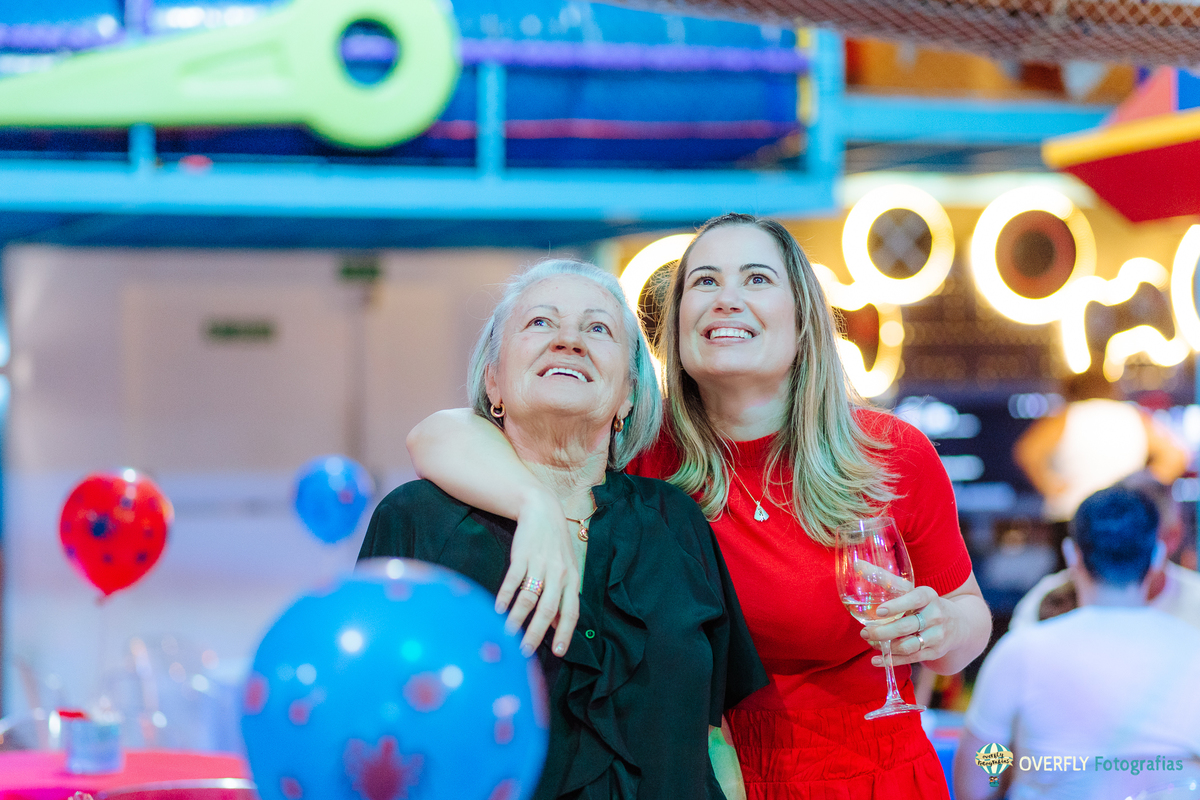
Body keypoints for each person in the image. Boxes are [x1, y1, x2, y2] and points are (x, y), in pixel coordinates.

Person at [407, 215, 992, 799]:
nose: (727, 300)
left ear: (803, 319)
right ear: (677, 324)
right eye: (704, 282)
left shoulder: (889, 452)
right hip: (701, 776)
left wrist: (940, 630)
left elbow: (969, 620)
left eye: (756, 279)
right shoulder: (638, 453)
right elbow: (440, 435)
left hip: (864, 777)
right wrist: (533, 503)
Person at [359, 259, 767, 800]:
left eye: (598, 329)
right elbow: (366, 733)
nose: (569, 340)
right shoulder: (416, 520)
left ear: (627, 395)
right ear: (493, 382)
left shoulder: (676, 520)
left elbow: (714, 742)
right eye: (540, 324)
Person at [953, 486, 1200, 800]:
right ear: (1156, 555)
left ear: (1072, 554)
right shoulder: (1195, 649)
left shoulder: (1021, 652)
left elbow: (978, 779)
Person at [1012, 369, 1189, 570]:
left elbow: (1027, 452)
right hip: (1124, 514)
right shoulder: (1134, 417)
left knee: (1071, 584)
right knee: (1127, 578)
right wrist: (1143, 484)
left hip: (1073, 515)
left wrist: (1050, 485)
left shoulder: (1065, 416)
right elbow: (1176, 456)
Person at [1010, 474, 1200, 630]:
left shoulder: (1195, 602)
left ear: (1172, 537)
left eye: (1139, 533)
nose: (1117, 544)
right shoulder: (1045, 602)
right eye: (1108, 529)